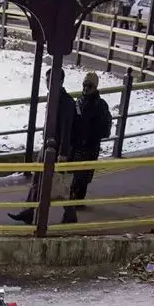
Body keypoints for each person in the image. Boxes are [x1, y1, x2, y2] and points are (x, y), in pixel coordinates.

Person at [9, 74, 77, 225]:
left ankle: (70, 213)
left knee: (58, 184)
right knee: (38, 179)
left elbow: (66, 129)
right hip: (47, 146)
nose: (48, 83)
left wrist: (63, 153)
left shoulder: (66, 102)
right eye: (47, 80)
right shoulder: (53, 98)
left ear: (60, 81)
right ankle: (29, 210)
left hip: (56, 149)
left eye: (52, 80)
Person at [64, 72, 113, 223]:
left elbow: (105, 129)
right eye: (84, 85)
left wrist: (91, 133)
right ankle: (72, 203)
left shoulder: (100, 105)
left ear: (95, 87)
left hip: (90, 145)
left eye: (89, 86)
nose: (86, 88)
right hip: (77, 144)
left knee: (83, 175)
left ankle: (75, 202)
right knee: (74, 175)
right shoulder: (78, 101)